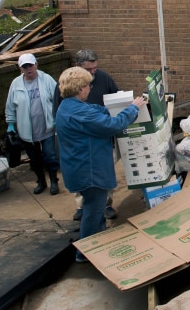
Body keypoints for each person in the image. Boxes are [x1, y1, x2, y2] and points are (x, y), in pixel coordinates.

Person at [55, 66, 146, 262]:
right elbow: (112, 126)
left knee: (94, 211)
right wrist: (132, 108)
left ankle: (100, 243)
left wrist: (114, 106)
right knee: (93, 212)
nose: (90, 89)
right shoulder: (80, 113)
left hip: (79, 168)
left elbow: (95, 110)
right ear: (80, 88)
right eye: (88, 85)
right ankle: (85, 253)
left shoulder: (68, 106)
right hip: (90, 171)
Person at [54, 49, 120, 221]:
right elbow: (112, 123)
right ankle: (83, 207)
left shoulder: (104, 78)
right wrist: (131, 110)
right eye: (89, 69)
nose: (93, 72)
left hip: (100, 141)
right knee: (92, 188)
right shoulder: (67, 89)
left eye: (95, 68)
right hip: (86, 148)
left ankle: (106, 205)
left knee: (103, 176)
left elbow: (114, 100)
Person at [5, 53, 59, 195]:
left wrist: (57, 117)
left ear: (36, 64)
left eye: (31, 65)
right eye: (25, 66)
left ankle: (54, 180)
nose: (29, 69)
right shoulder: (16, 84)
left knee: (50, 156)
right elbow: (10, 105)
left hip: (47, 127)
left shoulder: (46, 79)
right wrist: (10, 123)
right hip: (27, 131)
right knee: (35, 159)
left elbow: (58, 98)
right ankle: (41, 181)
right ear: (20, 68)